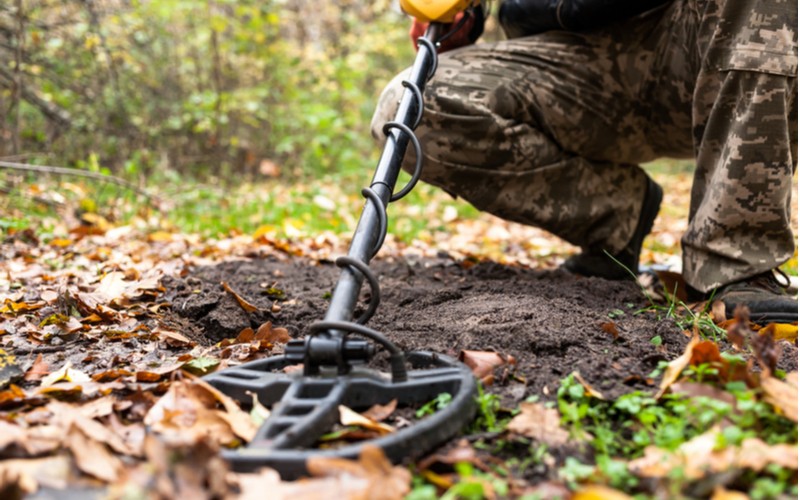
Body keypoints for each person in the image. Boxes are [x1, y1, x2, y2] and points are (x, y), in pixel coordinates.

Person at [372, 0, 798, 324]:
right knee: (407, 105)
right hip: (567, 62)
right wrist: (470, 15)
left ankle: (737, 261)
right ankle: (619, 216)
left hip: (699, 42)